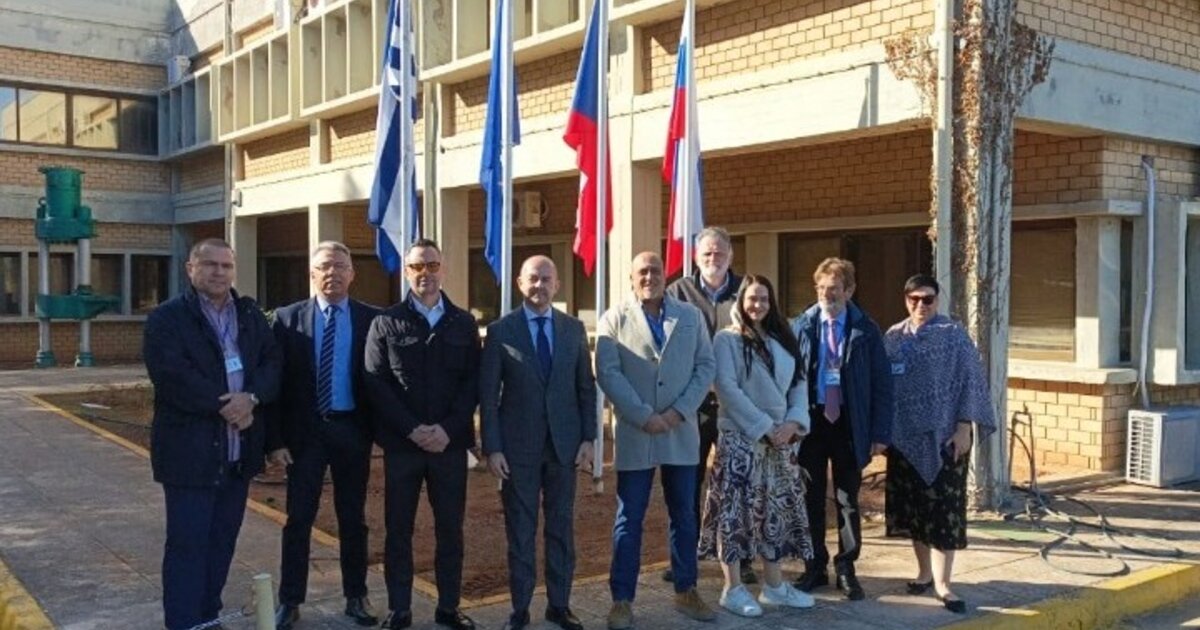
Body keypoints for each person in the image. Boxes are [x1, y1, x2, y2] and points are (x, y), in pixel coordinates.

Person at [143, 238, 282, 630]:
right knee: (187, 545)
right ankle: (184, 623)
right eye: (210, 264)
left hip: (237, 457)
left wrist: (251, 397)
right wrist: (226, 405)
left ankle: (208, 618)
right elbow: (172, 375)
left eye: (226, 265)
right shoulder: (167, 318)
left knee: (222, 543)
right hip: (190, 457)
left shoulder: (250, 314)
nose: (219, 272)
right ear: (191, 269)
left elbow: (272, 363)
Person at [595, 252, 717, 630]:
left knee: (684, 514)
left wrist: (679, 411)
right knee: (629, 518)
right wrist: (643, 415)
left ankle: (686, 589)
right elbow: (608, 372)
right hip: (637, 432)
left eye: (656, 271)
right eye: (642, 272)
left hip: (681, 431)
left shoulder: (690, 316)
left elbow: (706, 366)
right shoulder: (614, 319)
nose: (650, 277)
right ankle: (622, 599)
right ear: (632, 278)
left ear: (667, 275)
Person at [364, 239, 479, 630]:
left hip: (449, 446)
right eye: (416, 266)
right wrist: (411, 429)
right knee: (398, 530)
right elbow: (376, 383)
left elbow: (472, 383)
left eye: (431, 265)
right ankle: (400, 609)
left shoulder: (463, 322)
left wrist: (447, 429)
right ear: (406, 271)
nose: (424, 273)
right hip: (403, 447)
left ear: (442, 268)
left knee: (451, 530)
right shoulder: (385, 322)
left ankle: (448, 608)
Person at [268, 241, 381, 629]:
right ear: (312, 274)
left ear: (352, 273)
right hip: (304, 436)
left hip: (352, 431)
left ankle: (356, 596)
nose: (333, 272)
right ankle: (290, 600)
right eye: (325, 266)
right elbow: (276, 384)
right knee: (299, 518)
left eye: (340, 266)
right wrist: (275, 441)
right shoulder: (287, 319)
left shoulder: (371, 319)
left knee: (353, 519)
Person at [480, 255, 596, 630]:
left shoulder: (573, 329)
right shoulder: (501, 331)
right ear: (519, 283)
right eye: (533, 278)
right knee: (521, 531)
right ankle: (520, 608)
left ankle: (559, 605)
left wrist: (589, 438)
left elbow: (585, 387)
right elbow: (488, 396)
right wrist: (493, 447)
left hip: (564, 447)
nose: (539, 285)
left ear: (557, 284)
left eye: (547, 279)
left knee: (561, 528)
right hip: (517, 450)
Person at [699, 275, 815, 617]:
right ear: (741, 301)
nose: (758, 305)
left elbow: (799, 385)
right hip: (741, 439)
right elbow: (726, 387)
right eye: (752, 298)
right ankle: (733, 589)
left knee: (774, 514)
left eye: (764, 299)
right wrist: (763, 426)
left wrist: (793, 423)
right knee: (734, 515)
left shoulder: (783, 337)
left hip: (780, 442)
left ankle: (774, 587)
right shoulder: (727, 339)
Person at [882, 274, 995, 614]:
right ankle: (924, 573)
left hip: (946, 441)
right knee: (916, 510)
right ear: (905, 300)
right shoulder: (893, 337)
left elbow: (972, 382)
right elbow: (883, 388)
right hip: (904, 440)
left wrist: (964, 428)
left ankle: (944, 585)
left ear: (937, 300)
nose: (921, 305)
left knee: (943, 513)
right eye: (914, 299)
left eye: (928, 299)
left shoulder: (954, 336)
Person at [790, 257, 893, 601]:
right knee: (811, 498)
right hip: (812, 422)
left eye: (833, 288)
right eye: (821, 288)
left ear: (849, 290)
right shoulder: (802, 326)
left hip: (850, 423)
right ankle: (815, 566)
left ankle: (846, 567)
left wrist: (880, 434)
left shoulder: (866, 330)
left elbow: (882, 384)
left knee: (848, 499)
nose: (826, 294)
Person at [664, 226, 755, 585]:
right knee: (687, 483)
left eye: (719, 252)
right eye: (707, 253)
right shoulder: (677, 293)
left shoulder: (748, 291)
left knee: (739, 483)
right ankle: (683, 560)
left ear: (731, 255)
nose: (713, 258)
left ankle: (742, 557)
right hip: (693, 406)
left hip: (737, 406)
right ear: (695, 257)